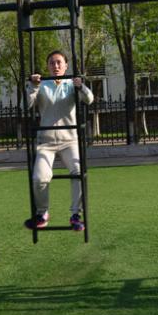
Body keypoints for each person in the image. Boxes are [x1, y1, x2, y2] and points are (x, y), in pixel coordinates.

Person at [24, 50, 95, 232]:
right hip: (46, 142)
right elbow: (25, 105)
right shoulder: (42, 84)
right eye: (51, 63)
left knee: (78, 171)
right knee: (39, 177)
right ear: (47, 66)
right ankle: (42, 214)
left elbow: (89, 99)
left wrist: (81, 87)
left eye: (59, 63)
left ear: (65, 66)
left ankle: (75, 214)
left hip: (68, 141)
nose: (55, 66)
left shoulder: (71, 84)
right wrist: (33, 86)